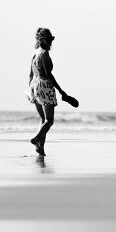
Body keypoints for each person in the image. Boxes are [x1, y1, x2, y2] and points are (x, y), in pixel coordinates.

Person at [27, 27, 70, 156]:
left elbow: (30, 74)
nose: (51, 41)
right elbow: (48, 75)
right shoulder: (44, 54)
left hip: (34, 85)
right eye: (48, 39)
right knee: (49, 120)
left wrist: (30, 91)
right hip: (44, 86)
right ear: (41, 39)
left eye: (51, 39)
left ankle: (40, 149)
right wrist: (62, 92)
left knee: (43, 119)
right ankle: (36, 140)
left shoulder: (35, 53)